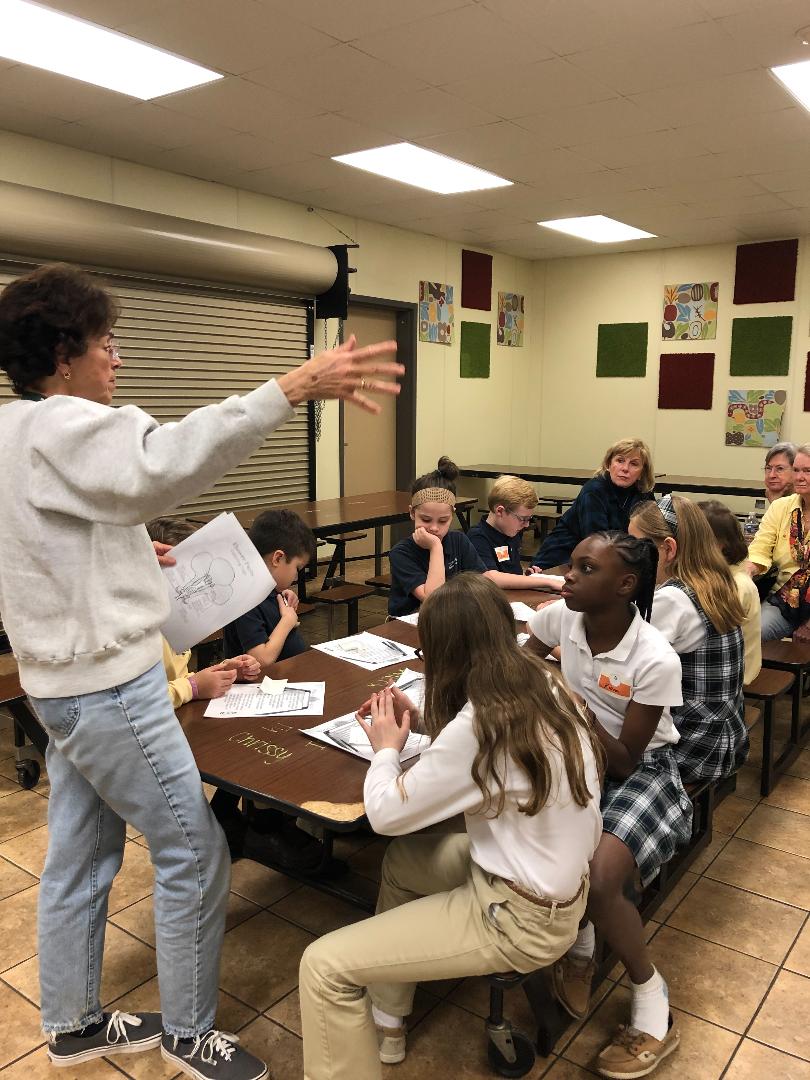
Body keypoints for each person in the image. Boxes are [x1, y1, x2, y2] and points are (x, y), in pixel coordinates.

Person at [0, 263, 402, 1079]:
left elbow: (46, 536)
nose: (116, 359)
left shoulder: (12, 431)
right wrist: (289, 386)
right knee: (194, 851)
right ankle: (187, 1034)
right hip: (110, 690)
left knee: (80, 857)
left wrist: (120, 553)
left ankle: (73, 1023)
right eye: (106, 343)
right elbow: (163, 465)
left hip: (61, 690)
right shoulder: (68, 424)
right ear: (63, 351)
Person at [298, 573, 603, 1080]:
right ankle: (387, 1021)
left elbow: (388, 814)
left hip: (520, 915)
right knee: (402, 865)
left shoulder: (482, 722)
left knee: (324, 967)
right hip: (554, 888)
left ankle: (372, 1028)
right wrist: (417, 724)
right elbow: (488, 755)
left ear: (445, 651)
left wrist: (387, 749)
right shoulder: (541, 678)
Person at [527, 532, 689, 1078]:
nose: (567, 577)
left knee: (599, 873)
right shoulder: (559, 621)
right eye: (571, 566)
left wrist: (573, 707)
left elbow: (624, 761)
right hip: (577, 754)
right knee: (520, 828)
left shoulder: (654, 657)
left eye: (585, 569)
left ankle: (649, 991)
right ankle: (583, 942)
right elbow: (524, 657)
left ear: (625, 585)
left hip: (641, 769)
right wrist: (546, 680)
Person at [215, 508, 324, 870]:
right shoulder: (245, 596)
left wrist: (285, 601)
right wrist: (288, 622)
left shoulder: (266, 589)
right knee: (282, 752)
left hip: (286, 683)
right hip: (256, 693)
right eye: (296, 568)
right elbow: (261, 657)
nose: (297, 577)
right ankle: (264, 823)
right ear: (277, 557)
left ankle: (271, 819)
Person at [629, 496, 747, 782]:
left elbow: (625, 661)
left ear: (668, 549)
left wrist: (557, 648)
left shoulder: (674, 598)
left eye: (637, 546)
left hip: (690, 746)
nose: (629, 555)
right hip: (724, 734)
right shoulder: (711, 581)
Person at [146, 517, 262, 708]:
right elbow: (133, 703)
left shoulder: (177, 622)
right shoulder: (141, 630)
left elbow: (176, 679)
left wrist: (224, 672)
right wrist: (192, 687)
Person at [530, 438, 655, 571]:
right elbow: (597, 541)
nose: (625, 468)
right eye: (620, 460)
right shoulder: (594, 490)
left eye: (634, 464)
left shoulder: (644, 494)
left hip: (605, 562)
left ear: (642, 472)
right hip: (560, 561)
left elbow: (650, 536)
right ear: (608, 464)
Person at [745, 443, 810, 643]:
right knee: (750, 634)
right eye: (797, 470)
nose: (799, 477)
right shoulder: (781, 507)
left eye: (807, 471)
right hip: (785, 598)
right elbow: (760, 547)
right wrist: (748, 569)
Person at [697, 501, 761, 685]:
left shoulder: (737, 585)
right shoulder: (720, 573)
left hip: (734, 677)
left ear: (719, 545)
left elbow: (706, 638)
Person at [467, 473, 564, 592]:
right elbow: (491, 577)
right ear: (500, 511)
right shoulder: (477, 537)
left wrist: (525, 577)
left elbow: (510, 572)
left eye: (529, 519)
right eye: (523, 519)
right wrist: (547, 582)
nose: (527, 525)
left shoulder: (511, 532)